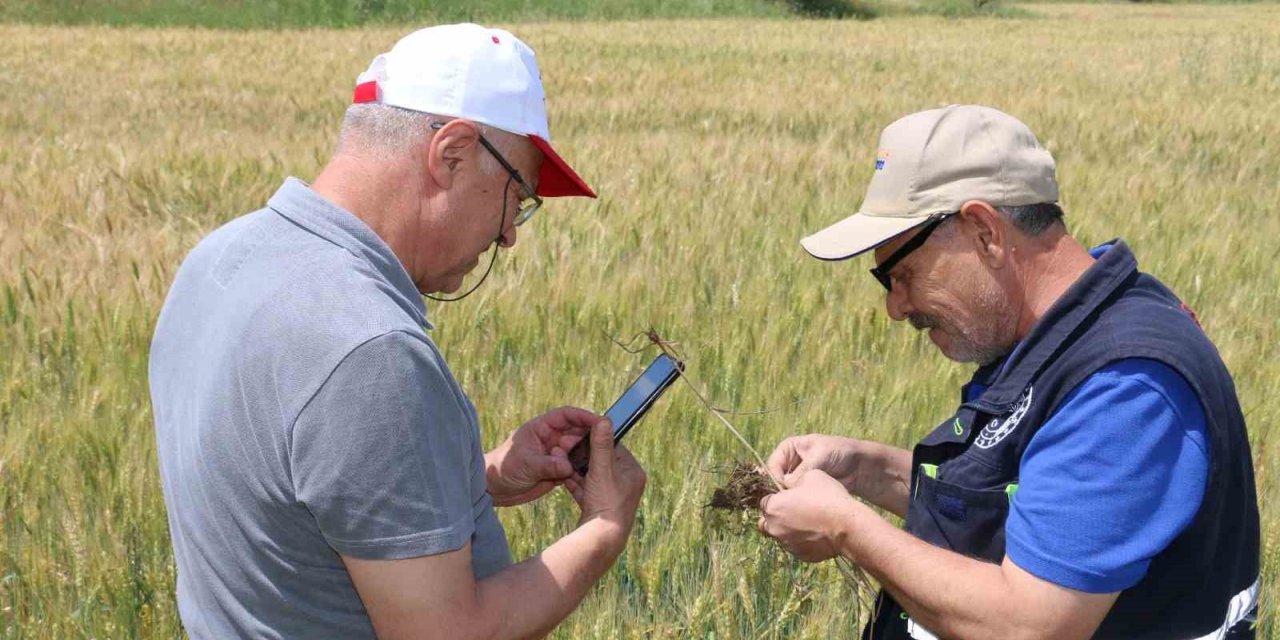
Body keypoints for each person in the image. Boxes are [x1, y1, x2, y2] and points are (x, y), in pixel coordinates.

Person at [149, 24, 646, 638]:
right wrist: (604, 527)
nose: (510, 233)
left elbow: (300, 497)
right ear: (453, 154)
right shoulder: (369, 351)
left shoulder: (222, 258)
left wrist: (482, 476)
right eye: (517, 196)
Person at [758, 105, 1260, 639]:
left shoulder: (1127, 385)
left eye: (901, 275)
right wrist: (865, 471)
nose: (896, 307)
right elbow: (1038, 504)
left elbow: (1028, 626)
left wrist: (845, 527)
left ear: (984, 233)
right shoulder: (1061, 331)